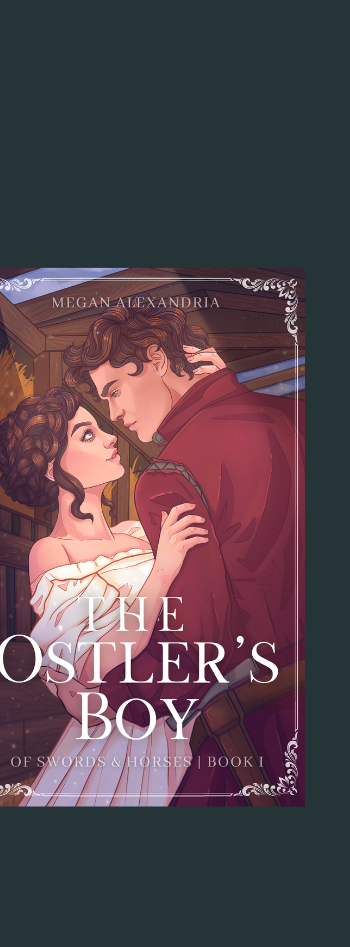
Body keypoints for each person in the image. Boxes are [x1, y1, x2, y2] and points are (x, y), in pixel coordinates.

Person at [63, 305, 304, 805]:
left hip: (270, 720)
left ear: (154, 358)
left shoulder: (168, 477)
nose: (115, 415)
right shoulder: (296, 417)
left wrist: (113, 690)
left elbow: (195, 642)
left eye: (114, 391)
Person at [0, 381, 211, 806]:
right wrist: (164, 568)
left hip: (178, 715)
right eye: (87, 434)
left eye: (100, 428)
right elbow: (96, 663)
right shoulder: (52, 552)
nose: (112, 437)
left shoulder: (136, 532)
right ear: (52, 469)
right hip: (119, 741)